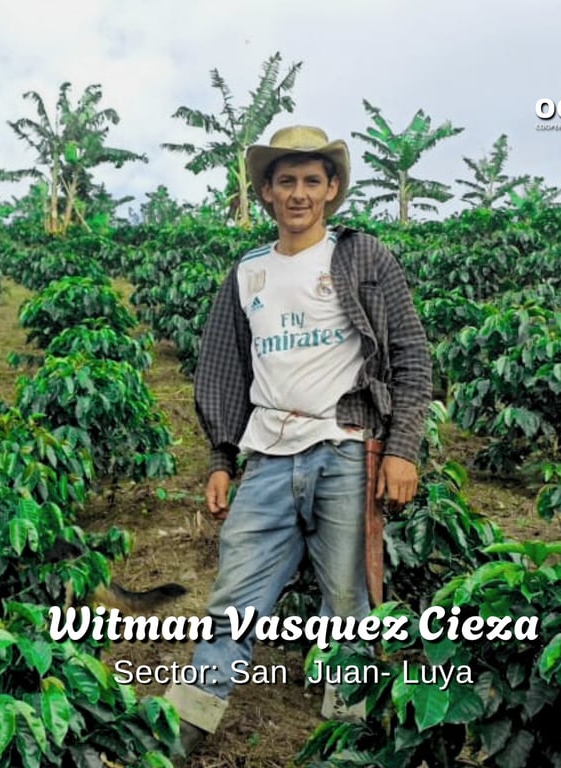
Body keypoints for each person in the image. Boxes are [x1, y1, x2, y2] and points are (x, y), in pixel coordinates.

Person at [167, 124, 432, 757]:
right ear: (265, 191)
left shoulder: (363, 259)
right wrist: (220, 458)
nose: (298, 193)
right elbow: (225, 368)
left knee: (348, 602)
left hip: (345, 450)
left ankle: (349, 730)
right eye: (285, 181)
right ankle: (186, 724)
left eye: (312, 180)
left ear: (332, 189)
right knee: (235, 593)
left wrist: (402, 449)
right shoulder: (248, 272)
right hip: (266, 456)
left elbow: (411, 355)